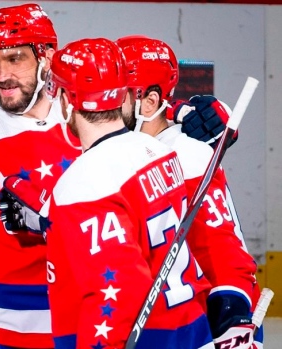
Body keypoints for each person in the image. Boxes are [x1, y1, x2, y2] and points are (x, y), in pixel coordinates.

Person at [0, 3, 237, 349]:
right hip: (1, 328)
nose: (2, 75)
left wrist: (207, 119)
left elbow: (162, 122)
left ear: (46, 58)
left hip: (97, 319)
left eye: (15, 59)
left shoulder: (93, 111)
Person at [41, 37, 213, 348]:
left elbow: (118, 287)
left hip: (150, 340)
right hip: (192, 330)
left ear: (67, 101)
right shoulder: (157, 150)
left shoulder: (82, 183)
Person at [116, 35, 262, 349]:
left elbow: (219, 247)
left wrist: (231, 314)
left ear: (150, 101)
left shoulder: (187, 154)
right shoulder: (123, 147)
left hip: (208, 326)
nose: (105, 102)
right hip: (154, 320)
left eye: (118, 93)